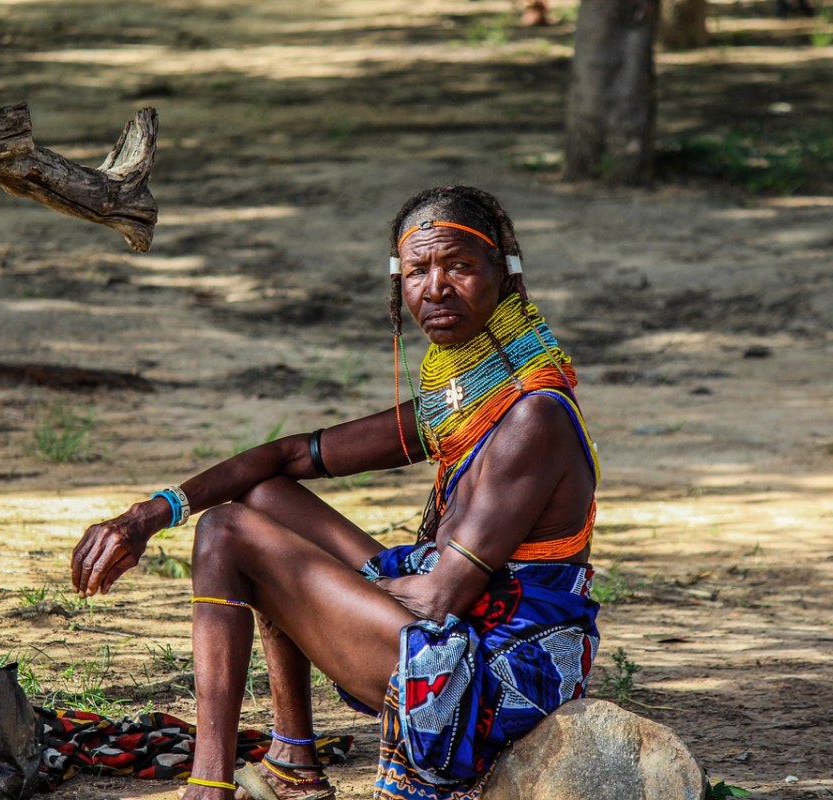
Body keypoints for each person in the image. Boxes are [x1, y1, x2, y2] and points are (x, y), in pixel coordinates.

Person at [71, 185, 602, 800]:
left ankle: (208, 786)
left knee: (228, 533)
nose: (434, 288)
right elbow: (291, 454)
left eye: (458, 266)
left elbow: (442, 597)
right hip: (455, 618)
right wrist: (150, 515)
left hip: (495, 672)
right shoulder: (464, 402)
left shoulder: (532, 416)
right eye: (416, 271)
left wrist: (305, 589)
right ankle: (291, 760)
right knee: (264, 501)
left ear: (505, 277)